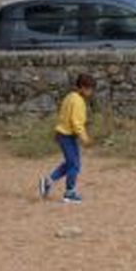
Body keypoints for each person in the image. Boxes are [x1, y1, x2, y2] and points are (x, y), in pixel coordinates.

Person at [40, 73, 95, 203]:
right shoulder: (78, 101)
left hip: (64, 134)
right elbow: (76, 122)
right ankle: (69, 192)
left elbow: (64, 115)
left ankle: (48, 181)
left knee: (71, 163)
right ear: (82, 87)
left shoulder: (70, 97)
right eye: (89, 89)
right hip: (67, 136)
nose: (90, 92)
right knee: (74, 165)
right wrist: (85, 138)